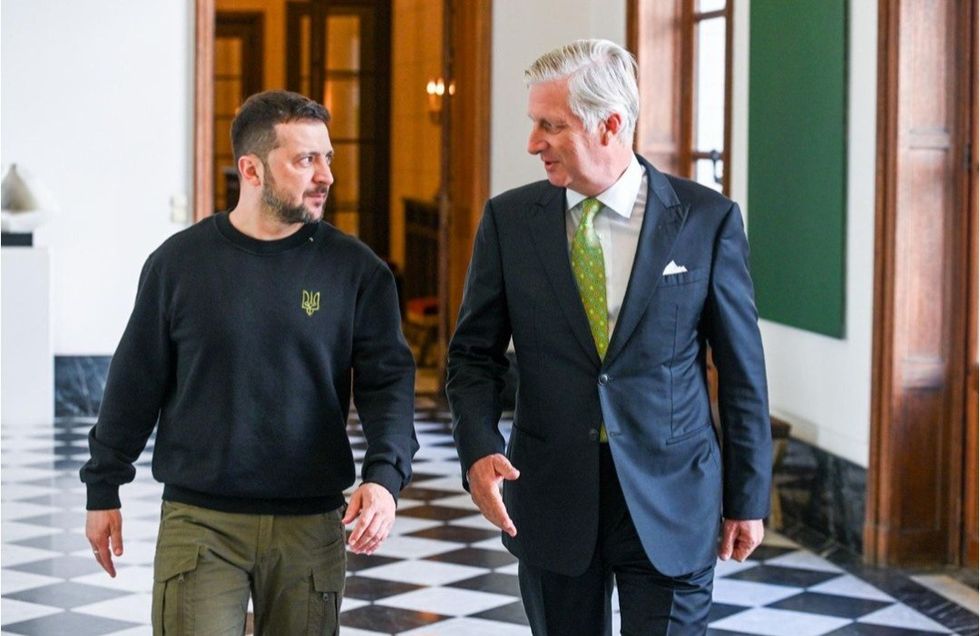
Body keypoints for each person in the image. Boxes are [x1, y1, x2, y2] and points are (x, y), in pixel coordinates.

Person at [446, 40, 772, 634]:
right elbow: (473, 355)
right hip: (550, 495)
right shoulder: (508, 221)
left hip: (674, 497)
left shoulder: (707, 220)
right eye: (533, 123)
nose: (532, 143)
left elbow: (743, 369)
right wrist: (477, 446)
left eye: (551, 125)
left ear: (611, 124)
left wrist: (748, 495)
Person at [81, 90, 418, 635]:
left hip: (311, 525)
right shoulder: (178, 265)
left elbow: (389, 385)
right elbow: (134, 382)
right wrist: (103, 487)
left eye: (327, 157)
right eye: (306, 159)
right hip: (201, 522)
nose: (326, 175)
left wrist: (384, 476)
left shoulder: (357, 270)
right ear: (252, 169)